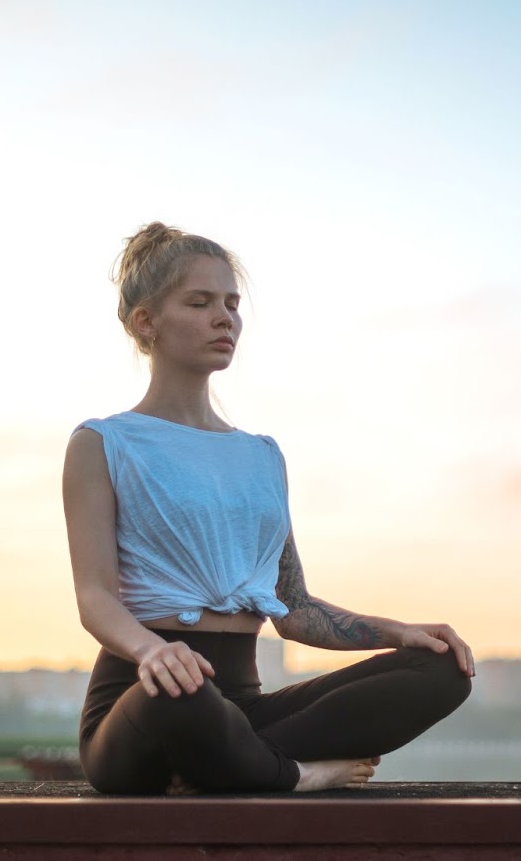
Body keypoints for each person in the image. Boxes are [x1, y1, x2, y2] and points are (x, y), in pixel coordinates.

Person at [63, 222, 474, 794]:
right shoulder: (104, 443)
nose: (224, 318)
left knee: (440, 670)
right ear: (145, 322)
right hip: (150, 701)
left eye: (232, 304)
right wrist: (154, 652)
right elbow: (95, 598)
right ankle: (297, 774)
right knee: (185, 702)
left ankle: (223, 764)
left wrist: (398, 632)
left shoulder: (261, 456)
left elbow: (294, 609)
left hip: (243, 711)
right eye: (200, 302)